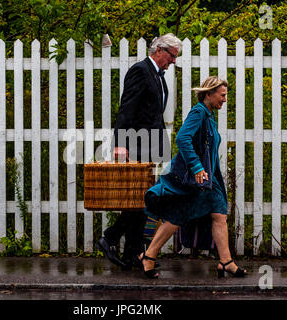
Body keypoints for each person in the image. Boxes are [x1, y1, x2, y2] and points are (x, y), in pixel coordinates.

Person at [139, 76, 247, 279]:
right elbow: (182, 138)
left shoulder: (208, 116)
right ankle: (149, 255)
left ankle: (226, 262)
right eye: (222, 95)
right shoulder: (198, 112)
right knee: (178, 216)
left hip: (208, 180)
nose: (225, 100)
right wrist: (197, 168)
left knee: (219, 215)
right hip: (198, 179)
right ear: (209, 94)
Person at [96, 34, 182, 270]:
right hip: (136, 145)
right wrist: (119, 143)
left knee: (141, 201)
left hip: (150, 146)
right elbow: (127, 108)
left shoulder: (157, 76)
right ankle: (111, 236)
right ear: (160, 50)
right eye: (172, 56)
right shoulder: (140, 71)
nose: (174, 61)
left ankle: (132, 253)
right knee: (141, 200)